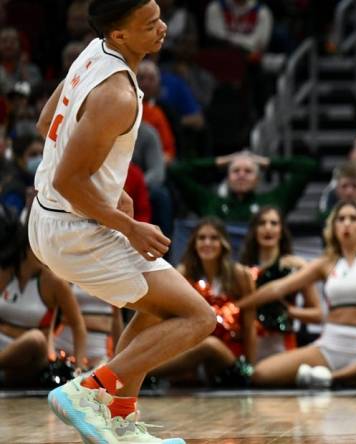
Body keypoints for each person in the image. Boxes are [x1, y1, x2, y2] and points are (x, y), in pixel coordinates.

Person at [29, 2, 215, 442]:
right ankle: (87, 391)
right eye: (149, 25)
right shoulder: (117, 94)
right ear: (120, 36)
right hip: (74, 230)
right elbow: (69, 179)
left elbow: (46, 124)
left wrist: (111, 189)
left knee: (161, 305)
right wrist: (128, 224)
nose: (163, 28)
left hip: (52, 215)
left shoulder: (92, 51)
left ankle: (120, 421)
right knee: (199, 318)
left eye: (160, 16)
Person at [237, 201, 356, 388]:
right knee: (261, 374)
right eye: (341, 219)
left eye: (353, 218)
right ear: (333, 227)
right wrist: (239, 305)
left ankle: (332, 378)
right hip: (329, 344)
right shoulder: (325, 263)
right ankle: (348, 377)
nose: (346, 223)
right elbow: (278, 288)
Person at [150, 218, 256, 387]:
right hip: (192, 354)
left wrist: (251, 368)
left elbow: (250, 325)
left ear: (223, 243)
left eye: (214, 238)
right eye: (202, 238)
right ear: (194, 243)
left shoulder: (239, 275)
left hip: (231, 356)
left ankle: (141, 372)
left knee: (210, 345)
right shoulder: (184, 274)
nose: (207, 243)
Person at [0, 204, 88, 386]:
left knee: (36, 338)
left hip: (31, 357)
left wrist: (80, 372)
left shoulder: (54, 282)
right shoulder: (5, 271)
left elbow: (78, 325)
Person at [239, 206, 322, 361]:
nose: (268, 228)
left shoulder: (295, 267)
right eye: (262, 223)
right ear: (254, 230)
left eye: (274, 223)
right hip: (246, 344)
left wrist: (289, 311)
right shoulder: (242, 270)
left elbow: (317, 315)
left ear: (282, 230)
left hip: (281, 345)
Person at [167, 150, 317, 223]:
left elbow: (307, 167)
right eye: (236, 171)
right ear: (227, 177)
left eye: (248, 171)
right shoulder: (211, 202)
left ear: (258, 179)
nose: (241, 175)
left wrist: (264, 161)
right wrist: (222, 161)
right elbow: (177, 171)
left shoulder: (272, 201)